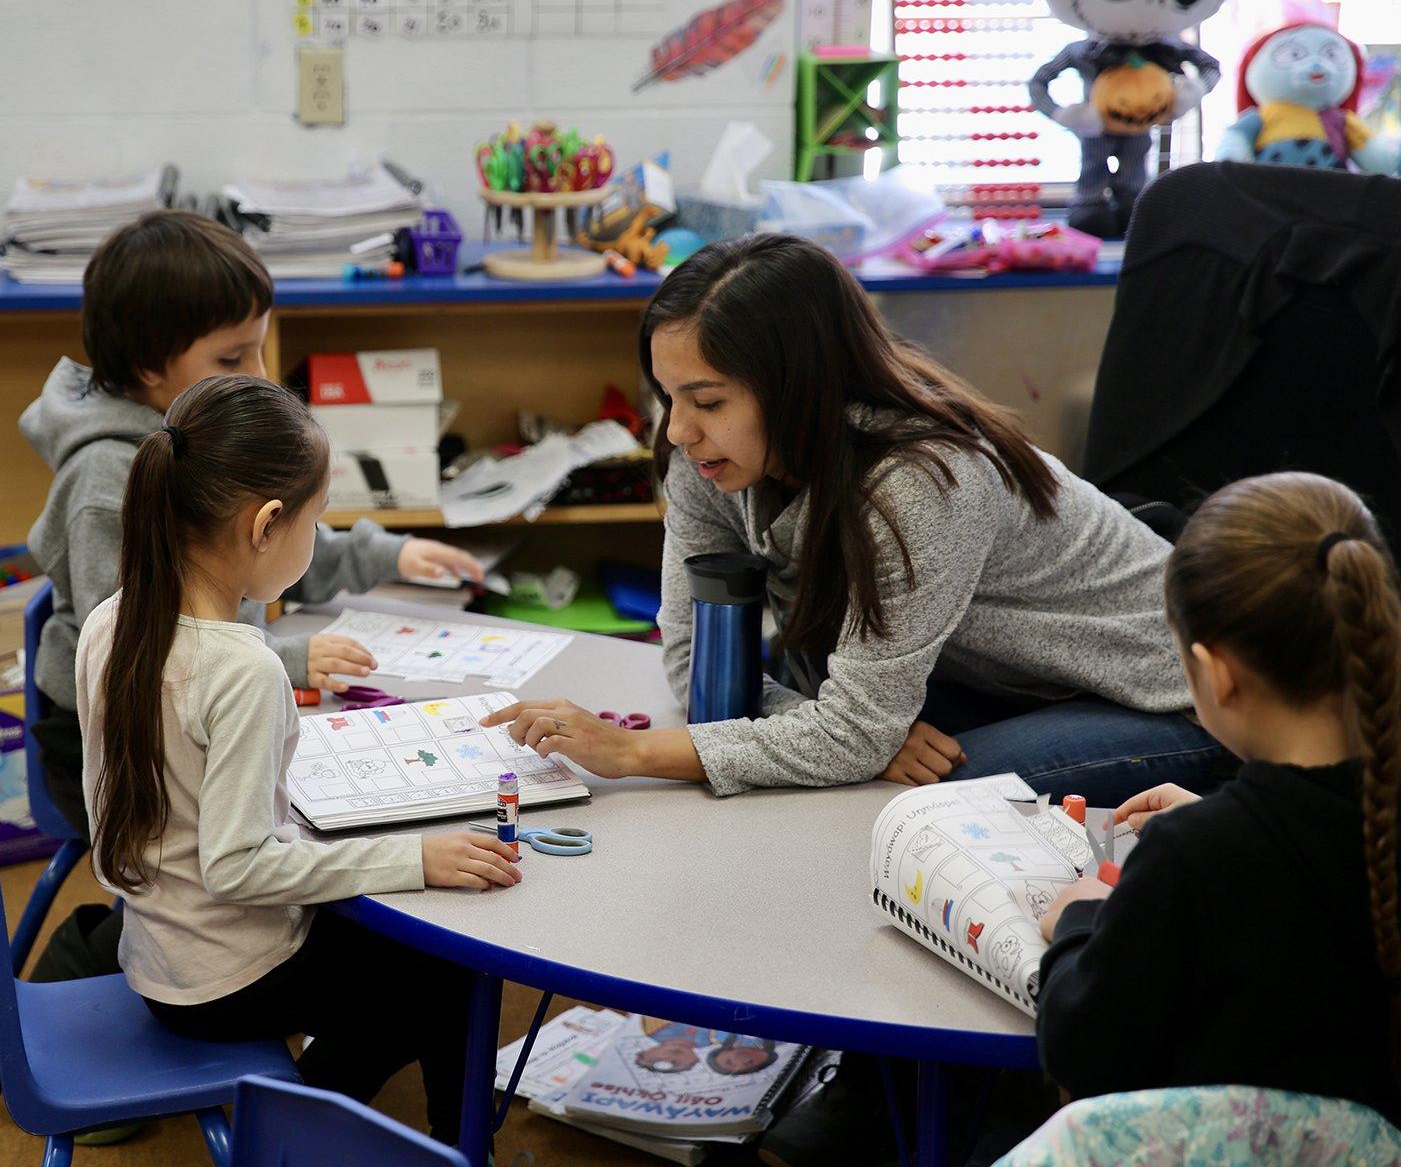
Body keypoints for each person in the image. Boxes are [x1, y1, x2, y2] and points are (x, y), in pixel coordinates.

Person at [483, 233, 1230, 807]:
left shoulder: (922, 482)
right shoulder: (706, 458)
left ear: (801, 389)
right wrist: (850, 734)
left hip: (1154, 700)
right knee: (824, 753)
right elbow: (698, 666)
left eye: (708, 402)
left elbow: (844, 736)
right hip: (984, 677)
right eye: (667, 395)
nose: (678, 430)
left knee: (896, 801)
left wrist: (633, 754)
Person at [79, 373, 521, 1146]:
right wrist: (413, 856)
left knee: (402, 951)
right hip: (227, 976)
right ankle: (422, 1152)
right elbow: (239, 868)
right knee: (452, 969)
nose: (317, 539)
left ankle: (306, 1119)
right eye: (318, 521)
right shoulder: (244, 669)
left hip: (157, 953)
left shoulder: (113, 619)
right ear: (267, 524)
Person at [22, 209, 481, 839]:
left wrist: (385, 557)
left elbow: (261, 547)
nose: (262, 374)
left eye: (261, 345)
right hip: (113, 750)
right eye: (234, 356)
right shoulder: (106, 482)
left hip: (203, 705)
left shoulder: (197, 438)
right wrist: (284, 660)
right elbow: (142, 655)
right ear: (151, 368)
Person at [1034, 471, 1401, 1120]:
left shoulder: (1195, 857)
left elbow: (1081, 1051)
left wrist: (1080, 920)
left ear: (1212, 672)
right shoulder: (1358, 815)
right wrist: (1218, 817)